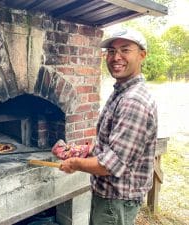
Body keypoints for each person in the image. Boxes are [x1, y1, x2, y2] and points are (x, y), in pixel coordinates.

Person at [59, 29, 158, 225]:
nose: (116, 57)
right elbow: (112, 144)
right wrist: (88, 150)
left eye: (125, 50)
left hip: (115, 201)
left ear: (142, 55)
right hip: (110, 197)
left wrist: (75, 163)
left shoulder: (133, 101)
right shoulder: (122, 90)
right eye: (111, 51)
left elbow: (110, 164)